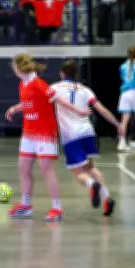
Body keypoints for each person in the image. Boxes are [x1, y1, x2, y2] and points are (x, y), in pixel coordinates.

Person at [5, 53, 90, 222]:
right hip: (28, 133)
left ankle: (57, 208)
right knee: (24, 168)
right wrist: (15, 108)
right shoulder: (23, 84)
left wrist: (78, 110)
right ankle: (26, 205)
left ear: (18, 67)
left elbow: (58, 99)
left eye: (14, 66)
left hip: (45, 133)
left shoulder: (38, 84)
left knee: (46, 170)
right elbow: (29, 104)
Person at [51, 60, 122, 216]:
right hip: (88, 131)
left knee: (78, 173)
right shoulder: (85, 89)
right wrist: (117, 124)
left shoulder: (54, 88)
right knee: (90, 167)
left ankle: (92, 185)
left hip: (71, 135)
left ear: (62, 74)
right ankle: (107, 198)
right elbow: (100, 109)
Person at [117, 46, 135, 152]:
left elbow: (123, 78)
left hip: (125, 93)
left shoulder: (122, 66)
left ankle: (121, 142)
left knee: (124, 120)